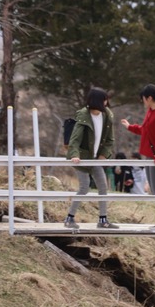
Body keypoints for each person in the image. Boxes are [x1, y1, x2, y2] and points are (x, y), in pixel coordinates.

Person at [120, 83, 155, 229]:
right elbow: (145, 131)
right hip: (150, 156)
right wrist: (130, 127)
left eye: (143, 99)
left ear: (149, 98)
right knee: (154, 188)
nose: (142, 101)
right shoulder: (151, 112)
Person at [64, 87, 117, 230]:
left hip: (96, 159)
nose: (107, 102)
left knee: (103, 187)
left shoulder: (107, 115)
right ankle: (69, 218)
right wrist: (74, 154)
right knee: (84, 188)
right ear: (98, 101)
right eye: (104, 99)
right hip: (82, 158)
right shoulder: (83, 115)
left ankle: (103, 219)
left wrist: (103, 155)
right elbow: (75, 139)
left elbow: (110, 140)